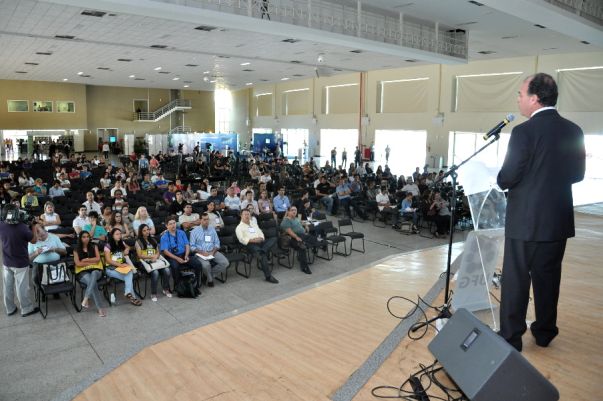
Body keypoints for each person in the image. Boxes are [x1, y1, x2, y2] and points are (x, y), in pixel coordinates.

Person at [496, 73, 585, 352]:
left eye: (521, 94)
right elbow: (577, 174)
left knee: (516, 281)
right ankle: (545, 333)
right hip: (557, 222)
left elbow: (508, 176)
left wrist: (501, 179)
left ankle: (512, 337)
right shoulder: (574, 131)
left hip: (525, 221)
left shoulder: (524, 132)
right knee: (548, 279)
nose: (519, 99)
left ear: (534, 99)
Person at [1, 205, 40, 317]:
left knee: (7, 287)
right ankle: (26, 309)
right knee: (21, 287)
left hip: (7, 262)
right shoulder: (22, 227)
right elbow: (34, 240)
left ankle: (10, 309)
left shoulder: (1, 225)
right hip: (20, 263)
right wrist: (33, 225)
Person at [235, 209, 278, 284]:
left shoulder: (253, 223)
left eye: (248, 214)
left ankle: (263, 250)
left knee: (274, 238)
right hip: (250, 244)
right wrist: (254, 240)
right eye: (245, 214)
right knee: (263, 256)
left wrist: (261, 238)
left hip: (260, 242)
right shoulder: (239, 227)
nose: (247, 216)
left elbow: (260, 232)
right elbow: (242, 239)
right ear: (241, 216)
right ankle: (268, 276)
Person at [160, 215, 203, 288]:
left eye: (174, 223)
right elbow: (165, 251)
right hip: (172, 257)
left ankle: (196, 282)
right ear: (166, 226)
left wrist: (186, 255)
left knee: (198, 264)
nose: (173, 225)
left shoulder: (181, 233)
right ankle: (177, 286)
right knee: (175, 267)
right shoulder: (164, 236)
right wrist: (177, 258)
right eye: (170, 224)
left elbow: (187, 245)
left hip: (184, 254)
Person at [104, 228, 142, 306]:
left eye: (120, 234)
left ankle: (129, 294)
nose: (119, 236)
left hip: (121, 268)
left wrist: (126, 251)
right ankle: (132, 297)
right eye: (117, 234)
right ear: (112, 236)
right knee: (129, 276)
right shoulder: (107, 246)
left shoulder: (122, 243)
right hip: (111, 268)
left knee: (129, 273)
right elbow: (108, 260)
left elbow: (125, 252)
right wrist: (121, 265)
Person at [189, 213, 229, 287]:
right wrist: (202, 252)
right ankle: (210, 280)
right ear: (200, 220)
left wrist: (213, 252)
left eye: (208, 219)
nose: (206, 221)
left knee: (225, 263)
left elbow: (217, 243)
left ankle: (208, 275)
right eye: (204, 219)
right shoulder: (194, 231)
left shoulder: (212, 229)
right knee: (206, 265)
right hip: (200, 253)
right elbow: (192, 247)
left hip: (212, 251)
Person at [73, 231, 106, 317]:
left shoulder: (94, 246)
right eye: (84, 237)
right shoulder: (76, 249)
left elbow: (98, 259)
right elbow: (78, 264)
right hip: (82, 272)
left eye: (87, 236)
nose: (86, 238)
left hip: (96, 270)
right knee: (93, 282)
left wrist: (85, 260)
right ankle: (100, 308)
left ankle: (86, 298)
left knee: (94, 274)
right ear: (80, 238)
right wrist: (91, 262)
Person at [136, 224, 172, 302]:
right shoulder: (138, 241)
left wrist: (156, 256)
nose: (147, 232)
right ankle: (153, 293)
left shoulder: (153, 239)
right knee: (155, 273)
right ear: (141, 232)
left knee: (167, 270)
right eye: (144, 230)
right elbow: (139, 255)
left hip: (156, 261)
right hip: (145, 262)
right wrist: (151, 257)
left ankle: (166, 289)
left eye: (148, 230)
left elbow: (158, 251)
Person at [280, 206, 319, 275]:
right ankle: (304, 267)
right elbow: (289, 231)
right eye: (292, 210)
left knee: (314, 239)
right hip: (292, 238)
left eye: (295, 210)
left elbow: (300, 223)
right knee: (302, 247)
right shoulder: (286, 220)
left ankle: (305, 244)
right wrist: (296, 237)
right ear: (288, 212)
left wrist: (305, 225)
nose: (294, 211)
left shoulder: (296, 218)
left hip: (302, 235)